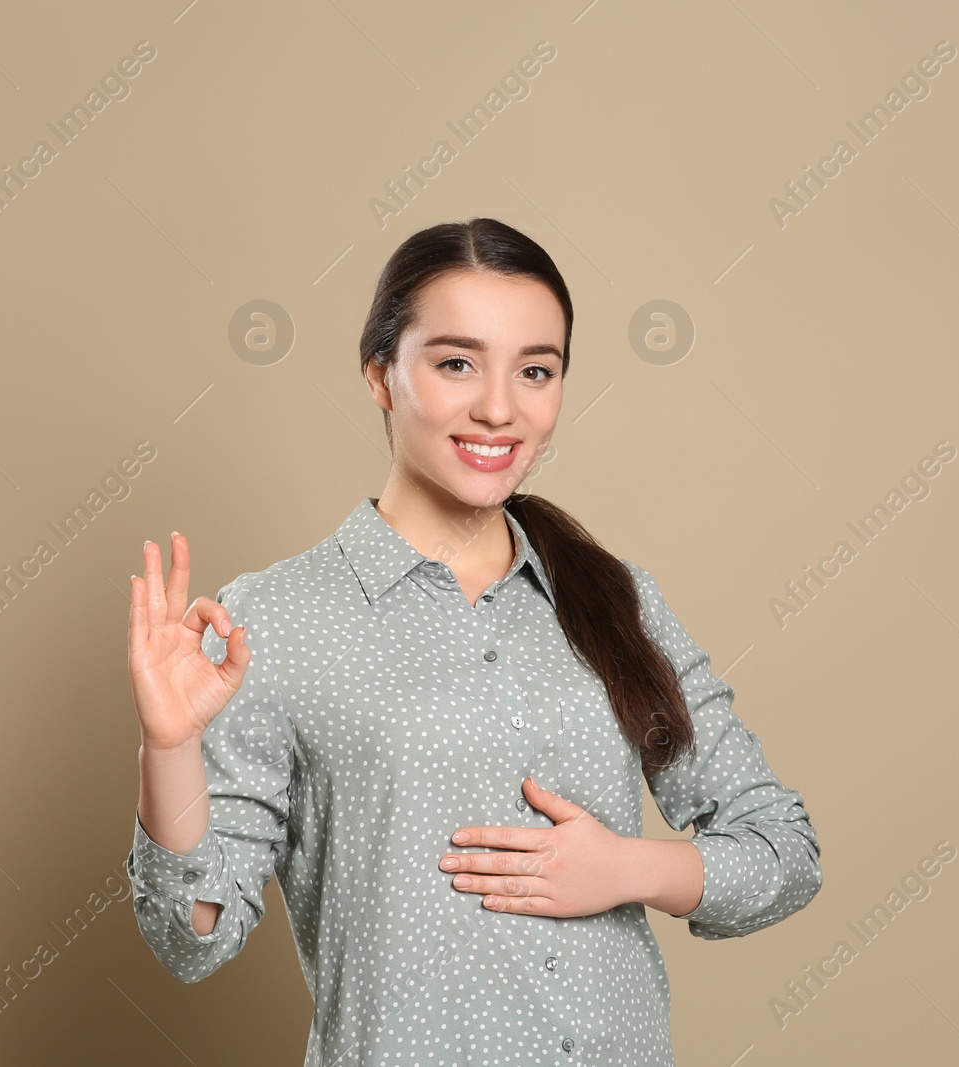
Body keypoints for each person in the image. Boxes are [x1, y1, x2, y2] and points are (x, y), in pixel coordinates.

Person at [125, 217, 822, 1065]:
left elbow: (783, 852)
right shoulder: (274, 620)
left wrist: (628, 869)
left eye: (536, 370)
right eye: (457, 362)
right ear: (381, 374)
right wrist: (169, 746)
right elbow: (194, 936)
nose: (499, 407)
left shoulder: (617, 601)